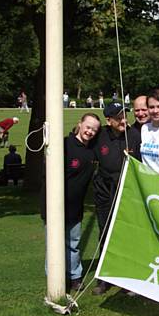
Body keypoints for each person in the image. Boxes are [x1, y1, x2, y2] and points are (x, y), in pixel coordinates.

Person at [41, 113, 101, 291]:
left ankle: (74, 277)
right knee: (54, 244)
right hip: (53, 206)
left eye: (94, 129)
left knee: (73, 243)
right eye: (88, 127)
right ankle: (54, 279)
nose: (90, 132)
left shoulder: (92, 151)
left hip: (75, 208)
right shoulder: (64, 145)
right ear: (80, 124)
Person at [92, 102, 142, 295]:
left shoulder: (133, 135)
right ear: (108, 120)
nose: (123, 120)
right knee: (105, 232)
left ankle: (125, 279)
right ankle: (104, 278)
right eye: (118, 117)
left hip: (126, 191)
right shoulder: (100, 136)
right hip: (104, 190)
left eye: (124, 116)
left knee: (124, 234)